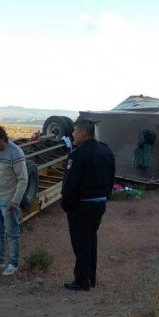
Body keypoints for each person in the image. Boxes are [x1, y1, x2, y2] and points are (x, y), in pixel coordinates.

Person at [61, 117, 116, 291]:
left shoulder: (78, 155)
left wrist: (66, 204)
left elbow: (71, 183)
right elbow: (112, 177)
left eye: (75, 130)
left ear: (83, 132)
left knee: (81, 242)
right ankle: (90, 277)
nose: (72, 133)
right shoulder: (106, 151)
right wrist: (106, 196)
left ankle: (82, 280)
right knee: (91, 239)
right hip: (99, 203)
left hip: (82, 206)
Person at [0, 124, 28, 276]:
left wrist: (14, 201)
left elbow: (23, 179)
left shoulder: (15, 152)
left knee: (12, 233)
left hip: (8, 201)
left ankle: (13, 264)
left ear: (2, 139)